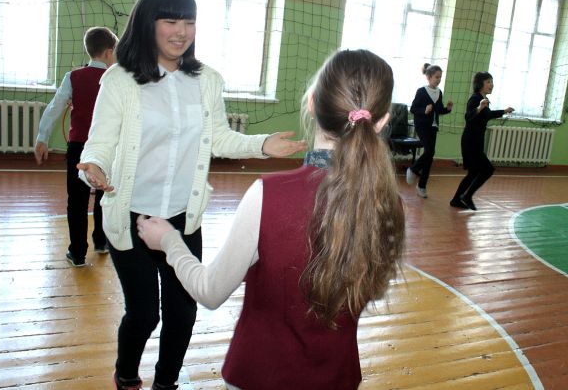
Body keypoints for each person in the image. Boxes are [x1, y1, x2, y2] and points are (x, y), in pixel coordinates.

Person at [76, 0, 306, 390]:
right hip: (130, 217)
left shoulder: (207, 80)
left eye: (189, 22)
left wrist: (262, 144)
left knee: (183, 313)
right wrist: (94, 165)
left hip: (184, 217)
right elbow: (101, 143)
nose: (181, 31)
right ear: (148, 23)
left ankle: (166, 383)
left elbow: (219, 137)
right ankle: (126, 375)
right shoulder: (120, 80)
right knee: (144, 314)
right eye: (170, 21)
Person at [136, 49, 406, 390]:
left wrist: (169, 241)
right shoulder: (389, 203)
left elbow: (210, 292)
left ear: (312, 103)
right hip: (337, 377)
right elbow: (373, 289)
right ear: (381, 121)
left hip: (258, 375)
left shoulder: (268, 195)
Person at [34, 26, 118, 267]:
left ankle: (78, 252)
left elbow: (54, 107)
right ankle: (101, 242)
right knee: (105, 195)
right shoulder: (116, 79)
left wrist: (42, 138)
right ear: (109, 52)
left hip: (79, 148)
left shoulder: (73, 77)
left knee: (77, 200)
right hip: (108, 148)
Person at [450, 72, 514, 210]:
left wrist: (504, 111)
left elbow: (488, 115)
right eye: (488, 82)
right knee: (488, 169)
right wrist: (479, 107)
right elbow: (468, 117)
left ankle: (456, 200)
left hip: (476, 141)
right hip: (470, 141)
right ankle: (467, 196)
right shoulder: (475, 99)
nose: (491, 85)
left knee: (473, 172)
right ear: (480, 84)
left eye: (492, 82)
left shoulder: (483, 99)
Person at [406, 63, 453, 198]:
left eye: (440, 77)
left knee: (429, 156)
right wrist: (424, 110)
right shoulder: (421, 91)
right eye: (437, 77)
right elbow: (413, 109)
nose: (439, 79)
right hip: (422, 125)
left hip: (433, 127)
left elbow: (438, 110)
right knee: (430, 152)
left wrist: (447, 109)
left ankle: (422, 186)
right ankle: (413, 169)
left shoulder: (439, 92)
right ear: (429, 77)